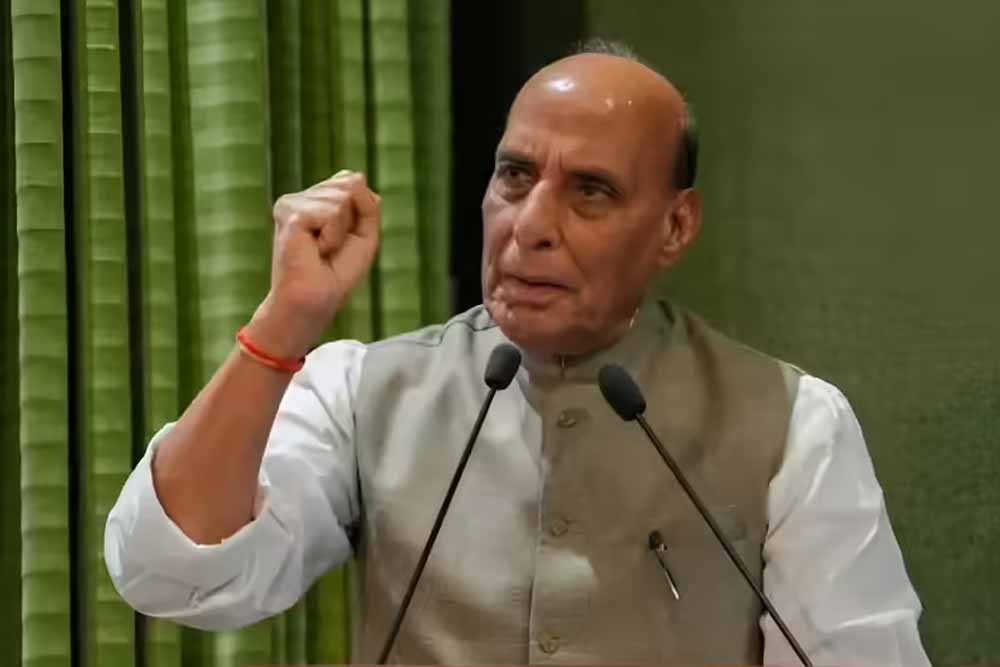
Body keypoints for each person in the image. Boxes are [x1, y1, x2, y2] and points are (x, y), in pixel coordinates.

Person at [105, 42, 930, 666]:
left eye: (591, 191)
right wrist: (283, 326)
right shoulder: (363, 389)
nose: (530, 225)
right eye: (515, 175)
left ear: (675, 226)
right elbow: (174, 575)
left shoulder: (794, 424)